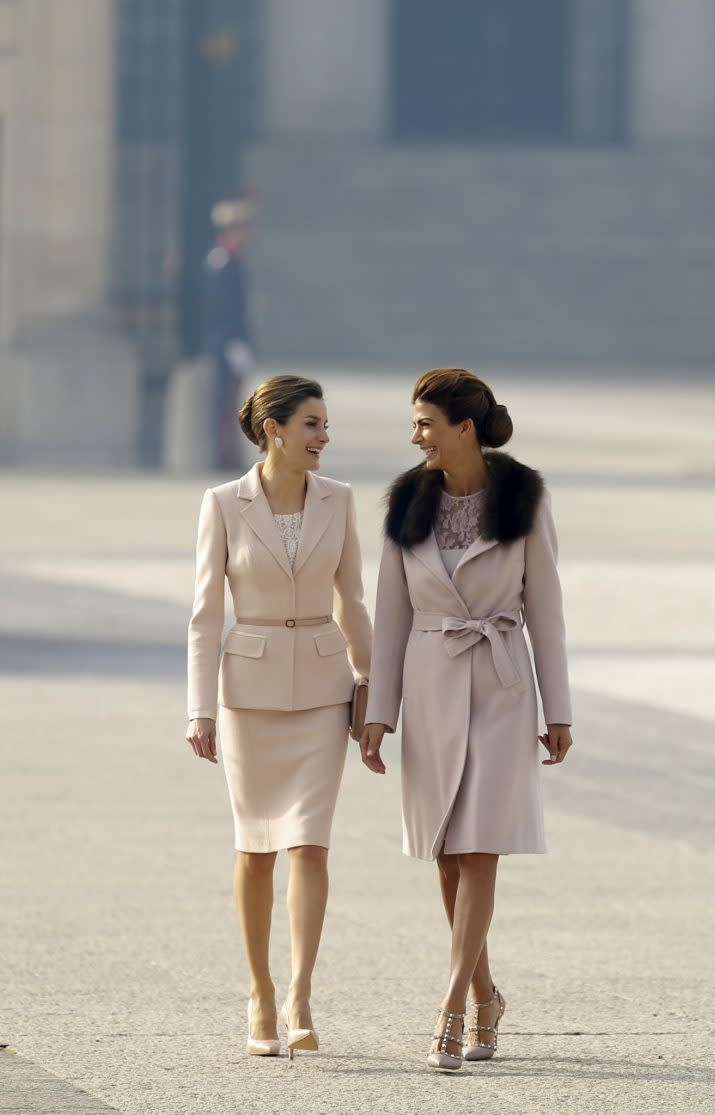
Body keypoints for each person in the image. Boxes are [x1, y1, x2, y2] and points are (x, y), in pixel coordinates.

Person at [360, 368, 573, 1071]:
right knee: (447, 856)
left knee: (481, 846)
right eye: (413, 422)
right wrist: (378, 713)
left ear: (464, 428)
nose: (414, 434)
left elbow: (546, 606)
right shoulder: (405, 501)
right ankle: (488, 992)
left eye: (424, 422)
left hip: (504, 684)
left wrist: (559, 710)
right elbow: (390, 615)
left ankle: (452, 1006)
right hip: (430, 684)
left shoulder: (523, 497)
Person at [186, 375, 372, 1058]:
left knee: (311, 844)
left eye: (325, 425)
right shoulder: (222, 503)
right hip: (249, 694)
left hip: (324, 690)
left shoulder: (342, 500)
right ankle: (259, 994)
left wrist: (370, 685)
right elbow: (205, 614)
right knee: (256, 847)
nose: (324, 437)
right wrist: (198, 707)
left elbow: (353, 599)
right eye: (312, 425)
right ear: (274, 430)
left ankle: (300, 994)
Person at [203, 197, 257, 471]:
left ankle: (227, 453)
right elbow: (224, 310)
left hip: (229, 342)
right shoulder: (222, 262)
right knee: (225, 402)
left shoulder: (229, 260)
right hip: (226, 343)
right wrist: (235, 343)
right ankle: (223, 456)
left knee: (231, 400)